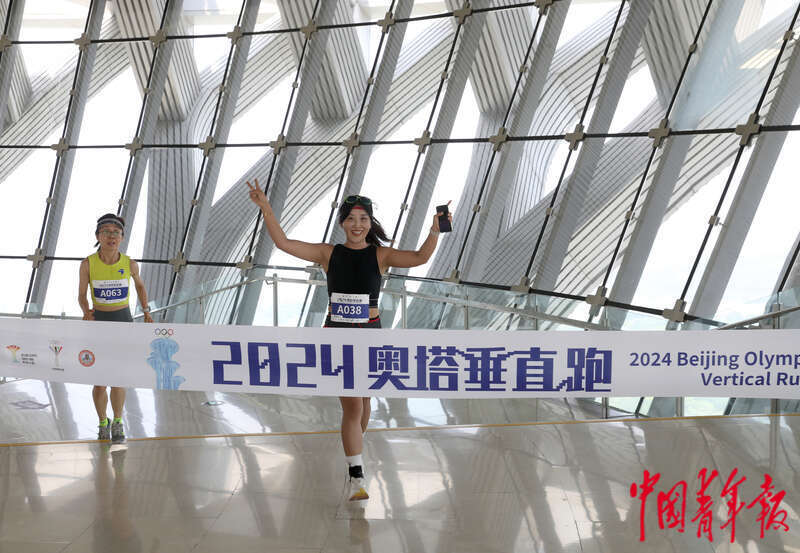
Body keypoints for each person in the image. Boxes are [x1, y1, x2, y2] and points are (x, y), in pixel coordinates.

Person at [247, 179, 451, 501]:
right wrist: (266, 208)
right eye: (351, 219)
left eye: (363, 219)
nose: (357, 225)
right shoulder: (328, 253)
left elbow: (419, 257)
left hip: (370, 336)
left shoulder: (381, 255)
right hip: (338, 338)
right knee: (354, 404)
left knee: (364, 401)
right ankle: (356, 475)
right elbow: (284, 243)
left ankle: (354, 446)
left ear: (370, 223)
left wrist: (435, 230)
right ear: (342, 222)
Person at [78, 213, 153, 443]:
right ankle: (103, 422)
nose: (111, 236)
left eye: (116, 232)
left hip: (123, 321)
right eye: (106, 232)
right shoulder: (87, 263)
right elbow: (81, 294)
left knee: (119, 377)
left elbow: (140, 287)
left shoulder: (130, 263)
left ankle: (118, 421)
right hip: (99, 322)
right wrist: (86, 311)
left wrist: (146, 311)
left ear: (122, 237)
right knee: (100, 380)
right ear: (98, 236)